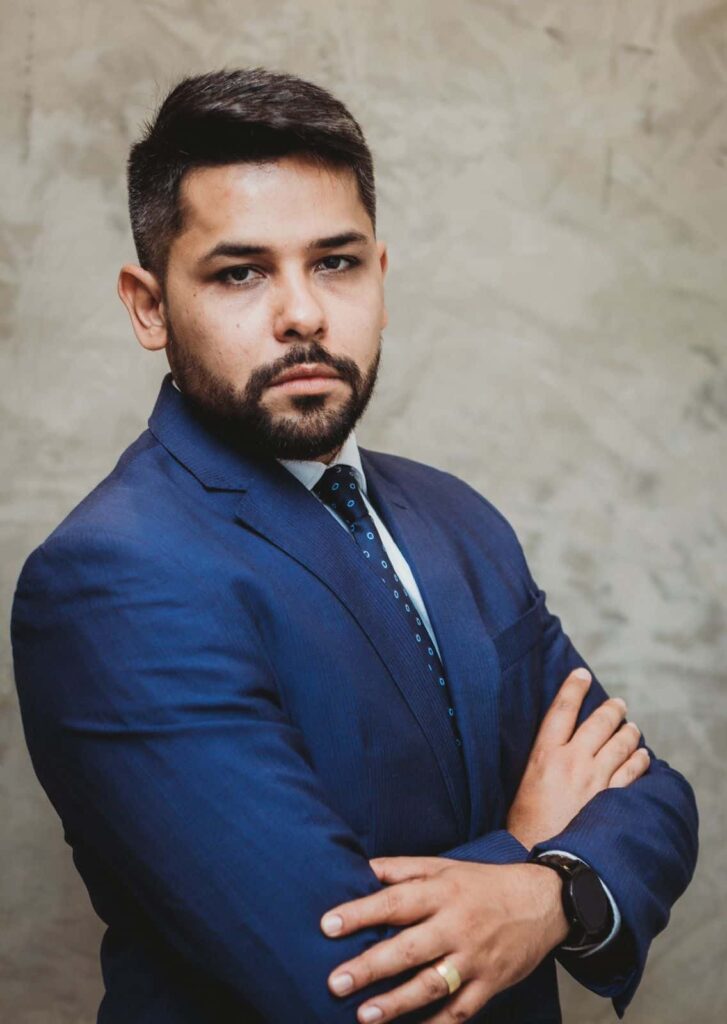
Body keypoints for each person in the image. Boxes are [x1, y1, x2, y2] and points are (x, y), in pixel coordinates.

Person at [10, 67, 698, 1024]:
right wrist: (527, 855)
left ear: (380, 275)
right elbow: (341, 979)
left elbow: (651, 796)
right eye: (240, 272)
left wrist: (550, 891)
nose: (301, 313)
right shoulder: (112, 578)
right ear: (149, 305)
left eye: (334, 262)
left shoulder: (456, 519)